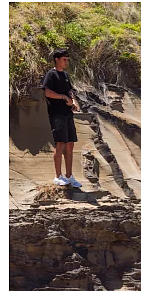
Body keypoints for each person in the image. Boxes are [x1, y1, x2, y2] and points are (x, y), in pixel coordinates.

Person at [42, 48, 82, 188]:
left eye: (67, 60)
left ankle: (69, 176)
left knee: (70, 144)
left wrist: (74, 101)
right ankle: (58, 177)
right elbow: (47, 92)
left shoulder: (65, 75)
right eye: (64, 59)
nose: (66, 62)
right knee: (60, 144)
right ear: (57, 59)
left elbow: (69, 90)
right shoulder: (51, 74)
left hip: (67, 113)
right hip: (56, 113)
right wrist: (63, 97)